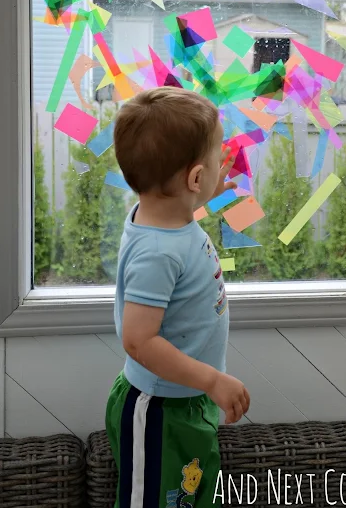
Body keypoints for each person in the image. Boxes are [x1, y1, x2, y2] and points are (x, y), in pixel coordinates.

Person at [105, 86, 250, 508]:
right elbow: (139, 339)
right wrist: (211, 378)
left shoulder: (169, 221)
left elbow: (180, 201)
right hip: (158, 412)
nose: (223, 164)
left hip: (185, 400)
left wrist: (204, 386)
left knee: (188, 498)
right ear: (195, 178)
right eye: (217, 155)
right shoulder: (157, 251)